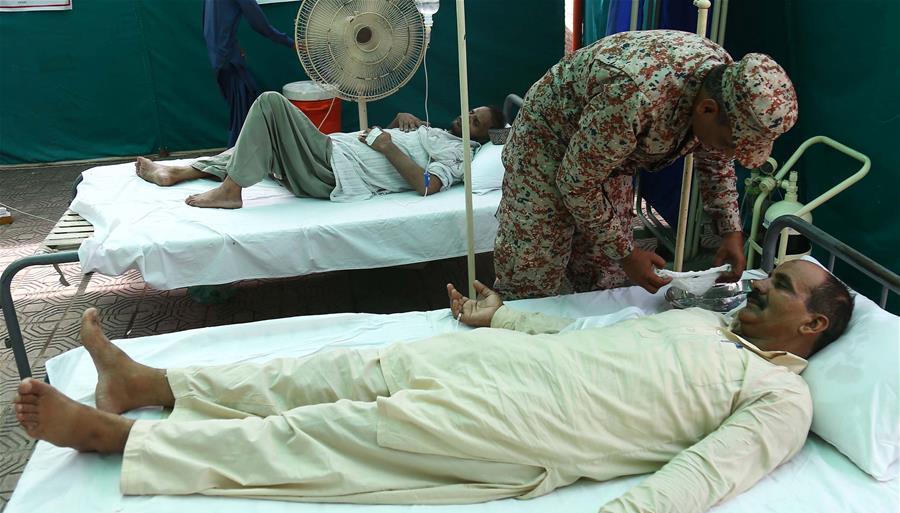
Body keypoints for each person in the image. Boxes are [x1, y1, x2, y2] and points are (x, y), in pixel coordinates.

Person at [14, 260, 852, 513]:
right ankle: (150, 382)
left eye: (780, 287)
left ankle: (122, 438)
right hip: (506, 364)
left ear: (812, 325)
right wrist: (505, 320)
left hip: (523, 425)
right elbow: (594, 340)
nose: (758, 285)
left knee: (329, 435)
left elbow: (703, 476)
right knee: (323, 371)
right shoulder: (706, 322)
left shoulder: (781, 398)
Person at [494, 30, 799, 300]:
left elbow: (716, 161)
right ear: (707, 109)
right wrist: (626, 253)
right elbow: (576, 184)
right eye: (729, 143)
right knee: (532, 271)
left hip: (608, 151)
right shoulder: (636, 97)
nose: (728, 153)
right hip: (546, 144)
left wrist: (731, 231)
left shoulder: (727, 82)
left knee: (605, 276)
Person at [134, 92, 505, 209]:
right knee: (262, 139)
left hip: (333, 169)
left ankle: (231, 191)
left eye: (474, 122)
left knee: (269, 103)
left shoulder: (462, 156)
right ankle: (183, 171)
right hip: (332, 154)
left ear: (485, 137)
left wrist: (388, 145)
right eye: (470, 112)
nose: (465, 117)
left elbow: (426, 185)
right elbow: (387, 142)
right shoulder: (438, 132)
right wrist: (397, 123)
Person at [203, 0, 295, 148]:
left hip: (219, 56)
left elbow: (212, 23)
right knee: (243, 115)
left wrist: (232, 45)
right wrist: (291, 43)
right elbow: (259, 24)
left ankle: (242, 156)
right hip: (228, 59)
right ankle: (236, 158)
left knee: (241, 112)